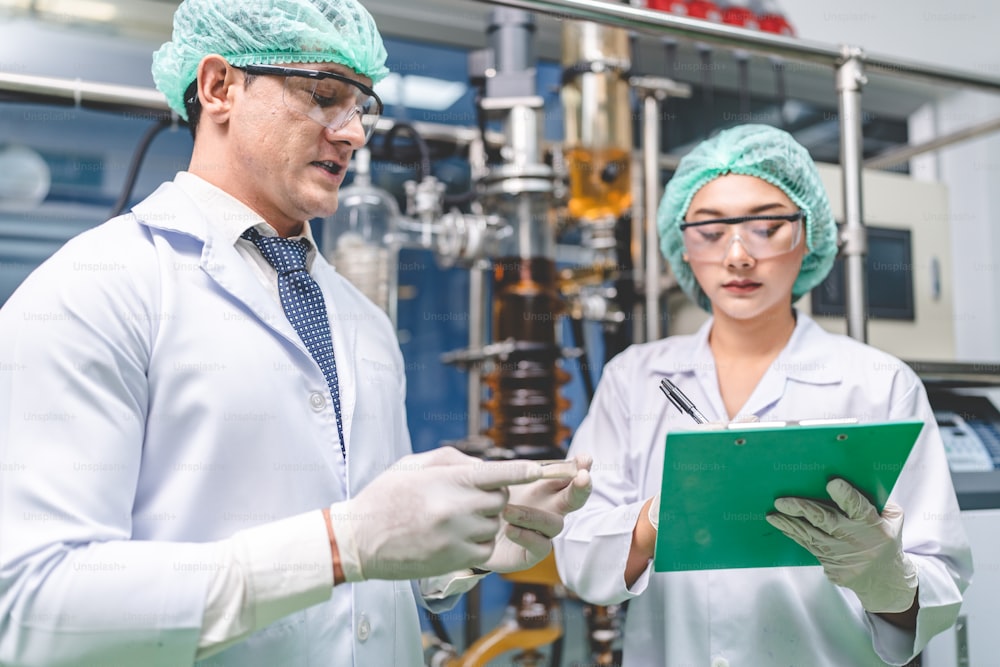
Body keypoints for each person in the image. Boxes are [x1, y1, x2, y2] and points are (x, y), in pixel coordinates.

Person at [0, 1, 591, 665]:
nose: (353, 133)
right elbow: (36, 607)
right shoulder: (95, 287)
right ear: (220, 85)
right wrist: (341, 544)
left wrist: (467, 545)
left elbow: (369, 563)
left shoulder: (361, 321)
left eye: (360, 106)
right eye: (323, 95)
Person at [553, 124, 971, 666]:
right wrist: (658, 519)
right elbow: (577, 551)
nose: (737, 256)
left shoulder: (877, 381)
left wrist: (886, 577)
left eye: (767, 226)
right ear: (682, 244)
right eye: (709, 230)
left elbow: (942, 579)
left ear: (808, 236)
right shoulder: (634, 377)